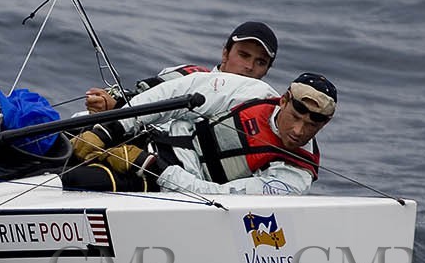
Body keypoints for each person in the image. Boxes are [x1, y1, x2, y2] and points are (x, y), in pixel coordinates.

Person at [65, 70, 336, 195]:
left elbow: (216, 196)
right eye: (296, 116)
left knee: (77, 178)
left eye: (314, 124)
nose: (300, 131)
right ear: (285, 100)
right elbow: (176, 93)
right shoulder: (253, 93)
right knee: (57, 143)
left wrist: (150, 167)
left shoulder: (295, 174)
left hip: (167, 179)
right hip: (148, 137)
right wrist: (111, 129)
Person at [83, 21, 278, 113]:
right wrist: (112, 104)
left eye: (260, 62)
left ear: (267, 71)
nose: (250, 66)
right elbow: (146, 96)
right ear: (225, 53)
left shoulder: (264, 109)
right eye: (243, 55)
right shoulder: (188, 75)